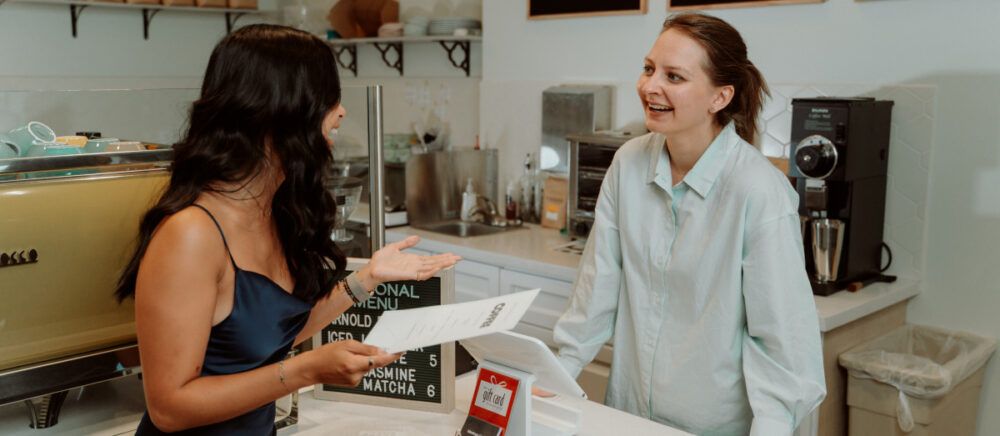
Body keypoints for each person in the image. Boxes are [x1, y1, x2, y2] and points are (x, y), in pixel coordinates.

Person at [113, 24, 460, 435]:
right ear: (280, 108)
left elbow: (273, 331)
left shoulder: (273, 212)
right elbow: (170, 407)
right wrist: (303, 371)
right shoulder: (191, 235)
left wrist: (366, 280)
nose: (342, 111)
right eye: (328, 97)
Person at [552, 13, 825, 436]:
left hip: (710, 427)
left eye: (674, 76)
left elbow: (782, 345)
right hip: (626, 416)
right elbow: (596, 290)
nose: (650, 86)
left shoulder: (758, 191)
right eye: (648, 69)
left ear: (720, 97)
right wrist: (554, 378)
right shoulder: (628, 164)